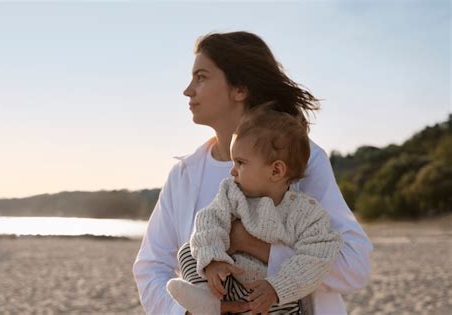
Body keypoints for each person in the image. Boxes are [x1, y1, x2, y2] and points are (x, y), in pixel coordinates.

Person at [133, 31, 373, 315]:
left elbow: (354, 266)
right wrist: (186, 312)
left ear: (239, 89)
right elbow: (151, 267)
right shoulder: (184, 175)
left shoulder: (298, 159)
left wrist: (249, 244)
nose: (188, 90)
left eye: (201, 77)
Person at [166, 103, 343, 315]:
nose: (232, 171)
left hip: (269, 295)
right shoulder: (231, 193)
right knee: (189, 249)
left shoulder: (306, 213)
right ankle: (206, 299)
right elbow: (209, 221)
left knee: (292, 303)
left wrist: (277, 288)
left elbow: (317, 257)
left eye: (240, 162)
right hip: (225, 282)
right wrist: (213, 261)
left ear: (276, 170)